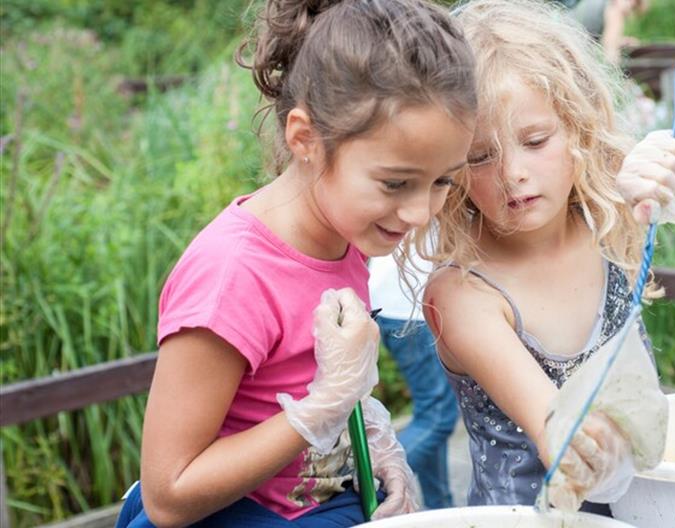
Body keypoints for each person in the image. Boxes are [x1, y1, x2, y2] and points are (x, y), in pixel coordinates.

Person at [115, 0, 477, 526]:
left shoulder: (345, 235)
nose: (421, 212)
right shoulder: (233, 275)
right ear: (305, 138)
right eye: (395, 182)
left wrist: (372, 441)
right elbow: (169, 495)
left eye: (443, 179)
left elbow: (305, 382)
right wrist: (323, 404)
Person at [423, 0, 675, 515]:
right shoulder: (463, 293)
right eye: (480, 156)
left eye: (535, 140)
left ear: (577, 127)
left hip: (647, 509)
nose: (513, 171)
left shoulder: (606, 215)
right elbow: (557, 433)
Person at [368, 250, 459, 509]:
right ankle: (374, 492)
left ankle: (440, 507)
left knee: (429, 412)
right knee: (437, 417)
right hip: (412, 308)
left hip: (393, 299)